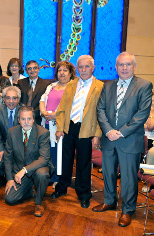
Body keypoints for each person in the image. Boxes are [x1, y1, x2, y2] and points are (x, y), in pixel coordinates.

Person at [93, 52, 153, 227]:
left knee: (128, 178)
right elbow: (100, 109)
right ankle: (109, 200)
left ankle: (127, 210)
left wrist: (120, 132)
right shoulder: (108, 86)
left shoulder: (144, 85)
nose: (124, 68)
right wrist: (108, 131)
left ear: (134, 66)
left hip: (129, 139)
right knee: (108, 173)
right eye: (121, 65)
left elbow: (142, 114)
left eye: (128, 64)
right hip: (109, 139)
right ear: (116, 67)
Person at [51, 55, 103, 209]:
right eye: (81, 67)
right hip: (69, 127)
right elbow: (62, 108)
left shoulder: (99, 86)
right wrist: (60, 128)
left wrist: (97, 134)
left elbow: (102, 112)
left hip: (87, 129)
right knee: (65, 160)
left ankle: (84, 194)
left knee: (83, 163)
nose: (84, 69)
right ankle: (62, 187)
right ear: (77, 69)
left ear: (92, 68)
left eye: (87, 66)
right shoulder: (72, 84)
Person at [4, 106, 53, 217]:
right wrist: (10, 179)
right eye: (23, 119)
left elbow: (44, 158)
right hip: (20, 172)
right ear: (18, 120)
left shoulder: (43, 133)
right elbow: (7, 157)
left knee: (42, 174)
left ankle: (39, 202)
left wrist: (24, 170)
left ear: (34, 119)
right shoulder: (12, 132)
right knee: (9, 199)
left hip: (37, 168)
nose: (26, 122)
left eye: (29, 119)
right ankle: (30, 188)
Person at [39, 61, 76, 188]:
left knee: (60, 152)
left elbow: (73, 108)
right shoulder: (51, 86)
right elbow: (42, 100)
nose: (62, 73)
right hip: (47, 123)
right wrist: (43, 111)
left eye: (65, 70)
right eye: (60, 70)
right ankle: (50, 175)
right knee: (48, 151)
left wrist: (56, 114)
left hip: (61, 125)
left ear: (71, 73)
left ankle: (59, 178)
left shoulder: (73, 88)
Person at [0, 86, 22, 182]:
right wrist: (0, 149)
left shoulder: (24, 111)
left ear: (18, 99)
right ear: (4, 99)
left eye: (14, 98)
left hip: (19, 146)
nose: (11, 101)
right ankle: (5, 176)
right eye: (8, 98)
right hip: (3, 145)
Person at [18, 60, 50, 125]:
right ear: (26, 71)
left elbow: (46, 102)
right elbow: (19, 100)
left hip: (38, 119)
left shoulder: (46, 84)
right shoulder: (20, 83)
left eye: (35, 68)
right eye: (29, 69)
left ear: (39, 69)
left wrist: (32, 115)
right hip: (23, 118)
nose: (32, 70)